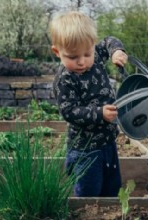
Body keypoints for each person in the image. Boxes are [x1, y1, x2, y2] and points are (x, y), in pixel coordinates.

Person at [49, 11, 128, 197]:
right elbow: (69, 111)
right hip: (85, 149)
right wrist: (99, 114)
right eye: (72, 57)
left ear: (93, 46)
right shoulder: (65, 79)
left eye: (87, 53)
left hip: (108, 142)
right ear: (57, 52)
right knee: (89, 192)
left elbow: (109, 40)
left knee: (112, 187)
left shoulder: (97, 56)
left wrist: (116, 51)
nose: (82, 61)